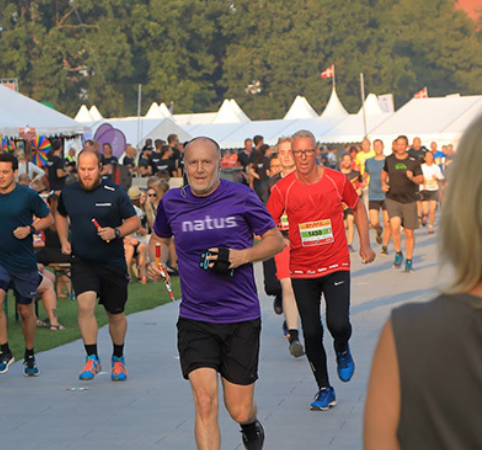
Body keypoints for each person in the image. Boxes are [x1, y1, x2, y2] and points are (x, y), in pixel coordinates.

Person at [147, 137, 283, 450]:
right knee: (205, 402)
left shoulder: (242, 196)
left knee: (238, 409)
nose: (199, 169)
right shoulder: (172, 202)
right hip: (196, 317)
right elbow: (159, 238)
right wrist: (155, 262)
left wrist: (241, 256)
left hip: (240, 317)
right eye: (192, 162)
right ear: (183, 166)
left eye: (206, 162)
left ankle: (249, 422)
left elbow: (275, 240)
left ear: (219, 165)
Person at [364, 114, 482, 450]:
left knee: (406, 231)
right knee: (397, 229)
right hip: (393, 202)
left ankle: (407, 255)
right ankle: (400, 253)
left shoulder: (408, 333)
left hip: (410, 202)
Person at [266, 130, 375, 411]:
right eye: (296, 152)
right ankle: (324, 388)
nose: (302, 157)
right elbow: (266, 224)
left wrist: (365, 244)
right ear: (291, 154)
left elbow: (358, 207)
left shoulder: (336, 179)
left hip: (336, 262)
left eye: (307, 151)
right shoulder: (283, 189)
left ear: (317, 151)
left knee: (337, 324)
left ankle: (342, 346)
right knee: (312, 332)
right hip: (302, 269)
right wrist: (278, 235)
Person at [56, 150, 140, 382]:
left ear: (100, 168)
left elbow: (134, 221)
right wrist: (64, 240)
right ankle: (92, 358)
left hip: (112, 261)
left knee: (115, 313)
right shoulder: (69, 192)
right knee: (85, 305)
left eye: (90, 169)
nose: (86, 174)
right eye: (82, 169)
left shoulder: (115, 192)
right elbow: (60, 214)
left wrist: (116, 232)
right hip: (83, 260)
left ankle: (118, 359)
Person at [0, 153, 53, 376]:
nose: (1, 176)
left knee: (25, 310)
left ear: (14, 172)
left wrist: (30, 229)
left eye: (5, 172)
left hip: (22, 261)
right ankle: (5, 351)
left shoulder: (27, 195)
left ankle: (29, 354)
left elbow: (47, 218)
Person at [266, 141, 305, 358]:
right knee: (287, 286)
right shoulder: (272, 184)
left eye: (290, 152)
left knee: (305, 287)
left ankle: (310, 325)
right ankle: (294, 335)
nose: (286, 156)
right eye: (281, 153)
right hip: (283, 241)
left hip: (306, 241)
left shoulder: (308, 179)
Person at [382, 135, 424, 273]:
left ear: (407, 145)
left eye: (403, 144)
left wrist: (412, 177)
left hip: (409, 200)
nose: (400, 147)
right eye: (398, 144)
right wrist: (383, 183)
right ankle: (399, 252)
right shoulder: (389, 159)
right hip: (393, 198)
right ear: (395, 145)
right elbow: (384, 172)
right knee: (394, 225)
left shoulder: (413, 160)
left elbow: (421, 179)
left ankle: (409, 260)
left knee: (409, 233)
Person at [364, 139, 391, 254]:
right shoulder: (369, 161)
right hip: (373, 195)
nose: (377, 148)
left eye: (379, 146)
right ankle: (379, 230)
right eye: (375, 146)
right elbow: (365, 174)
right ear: (373, 147)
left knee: (387, 222)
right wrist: (363, 180)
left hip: (386, 195)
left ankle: (384, 246)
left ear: (383, 146)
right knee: (374, 222)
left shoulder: (388, 160)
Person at [339, 153, 363, 252]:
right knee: (343, 225)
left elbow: (361, 184)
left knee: (350, 219)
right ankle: (342, 243)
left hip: (351, 202)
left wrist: (359, 190)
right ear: (342, 161)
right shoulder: (338, 174)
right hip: (340, 203)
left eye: (349, 160)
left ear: (351, 161)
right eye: (345, 160)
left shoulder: (356, 174)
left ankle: (349, 244)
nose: (347, 162)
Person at [419, 151, 443, 234]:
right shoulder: (421, 167)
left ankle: (430, 227)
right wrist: (422, 181)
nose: (429, 157)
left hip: (434, 190)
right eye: (427, 156)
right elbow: (418, 178)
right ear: (424, 158)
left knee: (432, 210)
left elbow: (441, 179)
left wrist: (436, 178)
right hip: (424, 190)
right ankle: (424, 216)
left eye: (431, 156)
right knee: (426, 210)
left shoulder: (436, 167)